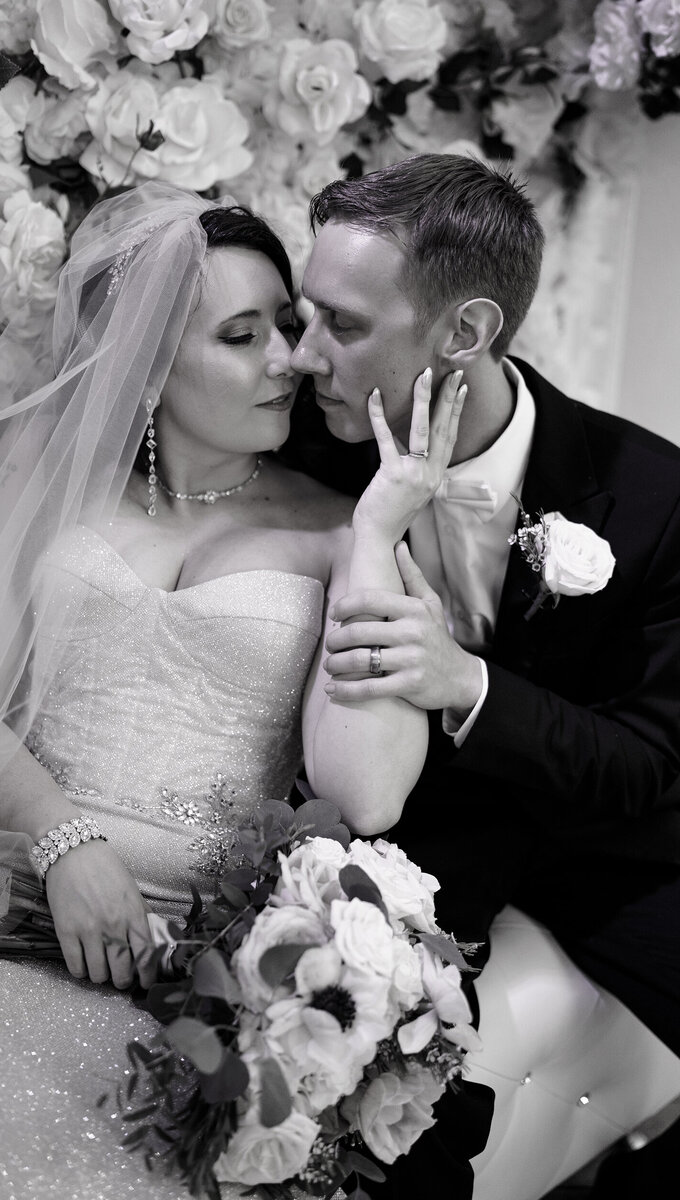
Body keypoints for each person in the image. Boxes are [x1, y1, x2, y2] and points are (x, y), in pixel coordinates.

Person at [0, 182, 465, 1199]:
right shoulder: (47, 490)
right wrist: (60, 835)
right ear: (144, 369)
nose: (287, 358)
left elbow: (367, 796)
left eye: (285, 327)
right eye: (242, 336)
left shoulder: (342, 529)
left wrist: (375, 537)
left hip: (185, 966)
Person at [283, 152, 680, 1197]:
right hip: (412, 844)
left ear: (462, 333)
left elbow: (649, 764)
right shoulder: (303, 447)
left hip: (604, 850)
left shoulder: (650, 495)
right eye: (301, 314)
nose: (301, 356)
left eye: (343, 326)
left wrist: (467, 686)